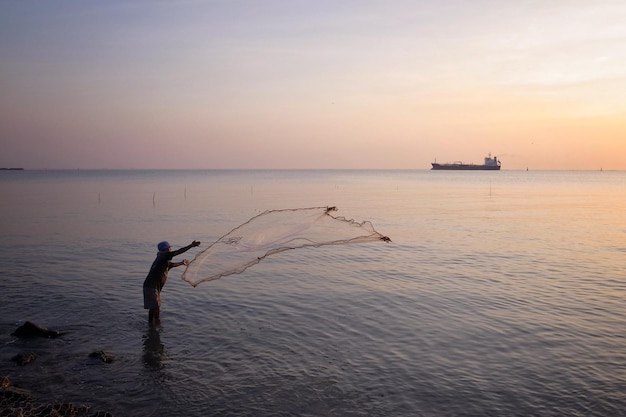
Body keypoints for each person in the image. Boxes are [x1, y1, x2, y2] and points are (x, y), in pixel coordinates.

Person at [143, 240, 201, 326]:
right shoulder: (163, 254)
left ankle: (157, 322)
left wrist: (181, 263)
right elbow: (178, 252)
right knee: (153, 307)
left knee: (157, 306)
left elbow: (171, 265)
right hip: (151, 286)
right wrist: (191, 245)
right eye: (169, 247)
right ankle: (150, 325)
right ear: (166, 248)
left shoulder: (163, 259)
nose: (170, 249)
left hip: (155, 287)